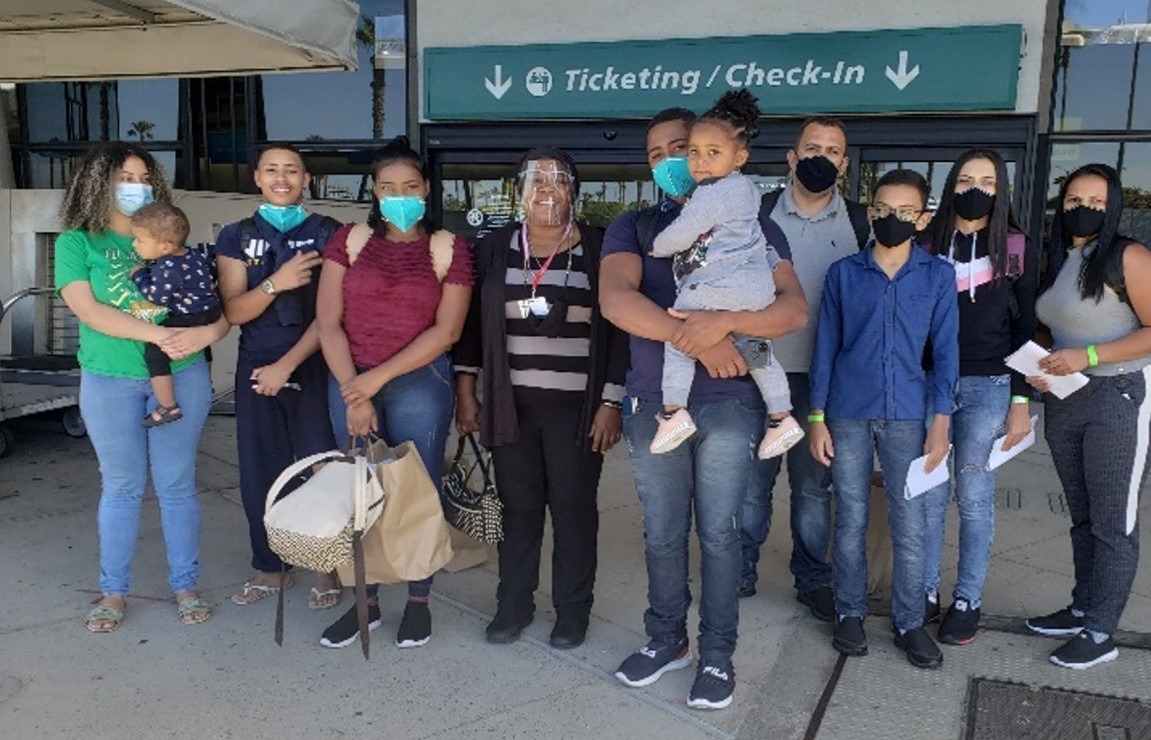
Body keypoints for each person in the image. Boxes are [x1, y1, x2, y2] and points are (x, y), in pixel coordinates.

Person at [600, 107, 808, 710]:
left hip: (728, 407)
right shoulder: (634, 226)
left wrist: (725, 325)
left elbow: (791, 309)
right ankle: (667, 639)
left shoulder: (753, 222)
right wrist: (699, 340)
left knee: (719, 535)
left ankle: (717, 655)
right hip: (652, 406)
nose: (674, 160)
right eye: (658, 153)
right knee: (663, 534)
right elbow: (617, 301)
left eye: (682, 147)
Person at [454, 148, 627, 650]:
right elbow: (469, 329)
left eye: (558, 180)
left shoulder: (599, 248)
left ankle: (572, 614)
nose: (546, 190)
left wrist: (610, 402)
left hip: (579, 413)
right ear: (518, 191)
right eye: (535, 180)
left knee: (574, 512)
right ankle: (514, 606)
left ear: (574, 189)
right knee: (519, 509)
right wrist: (467, 392)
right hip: (512, 408)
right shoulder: (492, 248)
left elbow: (619, 333)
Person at [54, 142, 229, 633]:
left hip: (182, 375)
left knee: (176, 486)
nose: (136, 187)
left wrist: (205, 334)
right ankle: (113, 589)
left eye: (143, 177)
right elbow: (89, 311)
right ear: (97, 182)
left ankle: (186, 584)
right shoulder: (77, 242)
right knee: (122, 487)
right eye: (124, 177)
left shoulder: (173, 240)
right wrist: (159, 334)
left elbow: (217, 313)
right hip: (109, 379)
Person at [316, 136, 474, 650]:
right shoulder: (349, 240)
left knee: (415, 491)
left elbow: (446, 332)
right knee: (356, 493)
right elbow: (327, 322)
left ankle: (419, 601)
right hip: (348, 376)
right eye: (388, 187)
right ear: (375, 191)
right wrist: (355, 394)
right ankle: (367, 603)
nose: (399, 195)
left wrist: (375, 381)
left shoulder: (448, 248)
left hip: (417, 381)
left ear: (427, 189)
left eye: (409, 186)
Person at [1025, 163, 1151, 669]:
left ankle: (1100, 631)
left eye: (1094, 200)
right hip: (1067, 398)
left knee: (1114, 520)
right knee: (1083, 516)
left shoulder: (1128, 256)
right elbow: (1057, 328)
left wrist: (1088, 358)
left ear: (1111, 205)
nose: (1082, 208)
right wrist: (1039, 364)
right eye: (1073, 199)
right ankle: (1081, 607)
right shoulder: (1063, 258)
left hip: (1123, 396)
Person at [807, 169, 957, 670]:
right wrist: (817, 416)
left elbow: (945, 354)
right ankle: (849, 611)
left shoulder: (937, 276)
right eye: (885, 210)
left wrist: (942, 420)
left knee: (909, 522)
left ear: (924, 218)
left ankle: (909, 621)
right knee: (848, 516)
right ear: (871, 213)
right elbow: (825, 346)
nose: (894, 219)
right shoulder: (844, 274)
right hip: (848, 412)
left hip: (910, 417)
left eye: (906, 212)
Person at [740, 116, 870, 615]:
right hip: (759, 375)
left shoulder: (861, 223)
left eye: (832, 150)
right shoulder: (758, 214)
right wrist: (752, 361)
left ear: (844, 163)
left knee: (814, 488)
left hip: (825, 385)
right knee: (752, 485)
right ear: (791, 158)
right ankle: (741, 569)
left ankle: (813, 577)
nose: (821, 157)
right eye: (810, 148)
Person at [918, 148, 1039, 645]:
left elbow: (1027, 326)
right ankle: (923, 591)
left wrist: (1021, 401)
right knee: (926, 495)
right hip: (931, 384)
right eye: (966, 179)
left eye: (987, 182)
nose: (976, 189)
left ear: (1002, 188)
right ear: (950, 186)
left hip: (990, 384)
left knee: (973, 496)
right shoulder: (928, 242)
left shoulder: (1015, 246)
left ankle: (967, 598)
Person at [214, 144, 342, 610]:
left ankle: (326, 571)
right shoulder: (236, 235)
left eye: (292, 171)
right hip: (256, 367)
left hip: (314, 362)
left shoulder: (328, 233)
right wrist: (275, 283)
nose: (282, 178)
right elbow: (233, 309)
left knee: (322, 469)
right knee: (261, 472)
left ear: (306, 179)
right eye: (272, 170)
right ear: (257, 178)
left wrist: (287, 365)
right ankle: (270, 567)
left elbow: (333, 313)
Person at [648, 90, 803, 460]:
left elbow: (686, 230)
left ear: (740, 157)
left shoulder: (713, 192)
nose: (699, 163)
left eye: (712, 153)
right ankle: (782, 416)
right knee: (756, 351)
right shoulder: (748, 194)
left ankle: (673, 411)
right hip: (752, 292)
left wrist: (660, 245)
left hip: (720, 289)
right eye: (695, 153)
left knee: (680, 336)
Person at [129, 202, 223, 428]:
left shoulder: (167, 266)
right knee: (203, 345)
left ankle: (167, 405)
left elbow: (156, 296)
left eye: (140, 240)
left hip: (189, 315)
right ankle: (207, 383)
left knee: (155, 351)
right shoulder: (193, 254)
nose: (135, 244)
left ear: (164, 247)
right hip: (210, 311)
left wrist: (140, 274)